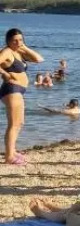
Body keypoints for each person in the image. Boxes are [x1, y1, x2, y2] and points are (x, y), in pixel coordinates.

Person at [0, 29, 44, 165]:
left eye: (20, 39)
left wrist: (24, 47)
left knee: (20, 123)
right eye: (15, 40)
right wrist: (5, 74)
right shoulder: (6, 52)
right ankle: (9, 157)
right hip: (11, 89)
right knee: (13, 124)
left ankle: (12, 151)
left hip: (18, 90)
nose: (18, 42)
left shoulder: (19, 52)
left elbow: (39, 59)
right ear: (8, 41)